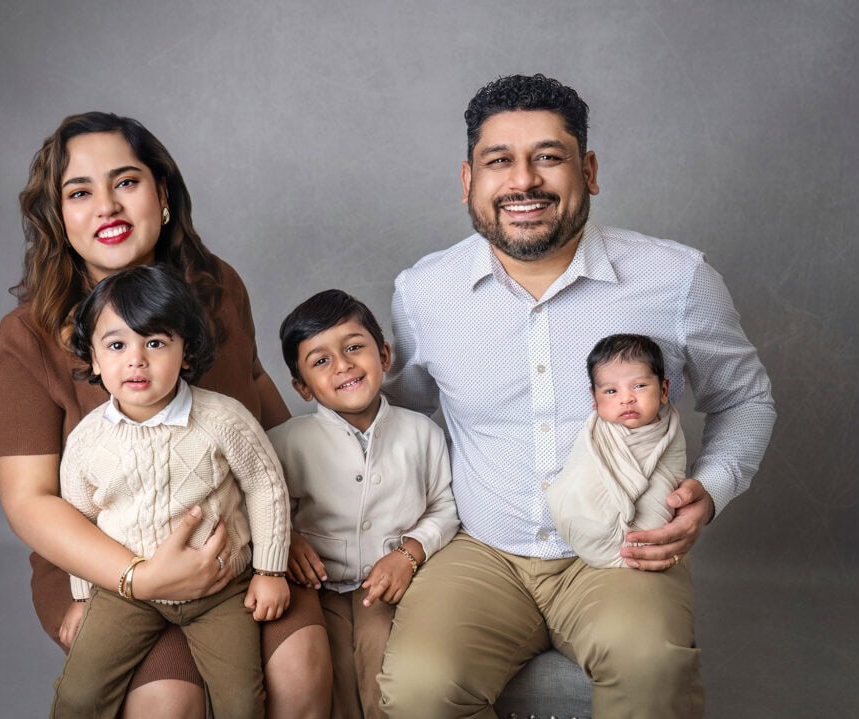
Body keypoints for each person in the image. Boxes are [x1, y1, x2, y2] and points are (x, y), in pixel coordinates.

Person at [377, 74, 776, 718]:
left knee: (652, 670)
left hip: (624, 552)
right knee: (420, 689)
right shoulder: (425, 293)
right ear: (467, 180)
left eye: (549, 157)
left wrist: (714, 488)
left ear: (587, 169)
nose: (524, 181)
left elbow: (745, 397)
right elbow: (407, 413)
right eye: (498, 160)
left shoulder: (675, 279)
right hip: (480, 550)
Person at [0, 111, 330, 719]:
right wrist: (135, 579)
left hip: (241, 551)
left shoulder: (218, 286)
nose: (107, 207)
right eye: (80, 192)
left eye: (126, 182)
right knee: (169, 707)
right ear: (58, 217)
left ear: (162, 194)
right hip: (109, 565)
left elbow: (254, 390)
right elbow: (30, 501)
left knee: (298, 678)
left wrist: (290, 520)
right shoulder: (26, 337)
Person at [50, 264, 290, 718]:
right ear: (96, 360)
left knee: (242, 702)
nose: (136, 359)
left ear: (185, 353)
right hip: (126, 594)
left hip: (220, 589)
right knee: (79, 696)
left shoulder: (222, 418)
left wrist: (270, 571)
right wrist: (83, 598)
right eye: (117, 345)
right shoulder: (86, 441)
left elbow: (266, 486)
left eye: (155, 343)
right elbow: (77, 518)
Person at [267, 290, 459, 719]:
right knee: (330, 686)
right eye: (320, 361)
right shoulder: (285, 442)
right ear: (301, 387)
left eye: (355, 347)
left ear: (384, 355)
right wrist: (289, 540)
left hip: (389, 586)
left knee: (386, 683)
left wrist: (409, 554)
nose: (343, 365)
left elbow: (445, 507)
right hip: (319, 589)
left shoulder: (421, 433)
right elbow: (263, 507)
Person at [546, 334, 687, 568]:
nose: (627, 399)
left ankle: (633, 552)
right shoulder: (595, 435)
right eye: (611, 391)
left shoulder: (670, 433)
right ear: (595, 399)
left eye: (639, 386)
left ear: (664, 390)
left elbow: (671, 477)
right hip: (585, 534)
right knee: (572, 494)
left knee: (657, 505)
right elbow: (575, 480)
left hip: (644, 547)